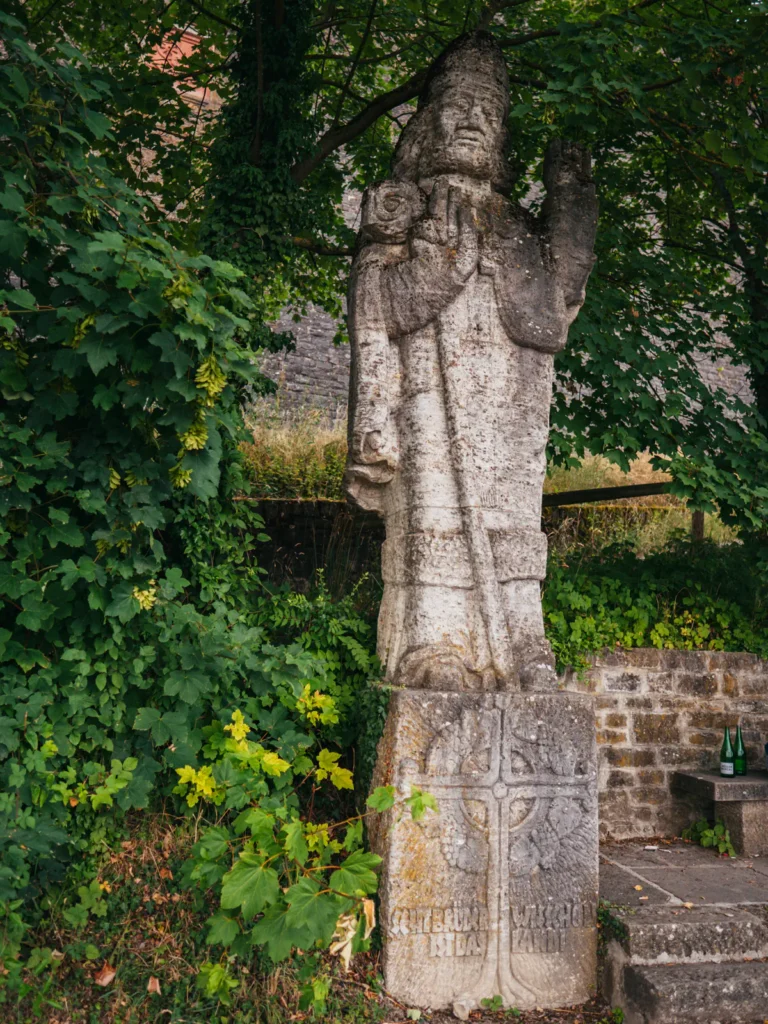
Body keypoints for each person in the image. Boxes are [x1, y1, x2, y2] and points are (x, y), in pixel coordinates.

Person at [346, 32, 598, 691]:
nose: (471, 118)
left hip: (510, 397)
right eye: (459, 104)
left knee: (512, 509)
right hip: (427, 395)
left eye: (488, 110)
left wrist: (571, 197)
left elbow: (555, 306)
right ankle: (433, 644)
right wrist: (435, 270)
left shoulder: (515, 225)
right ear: (428, 124)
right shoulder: (408, 211)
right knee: (434, 506)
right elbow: (377, 302)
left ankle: (522, 639)